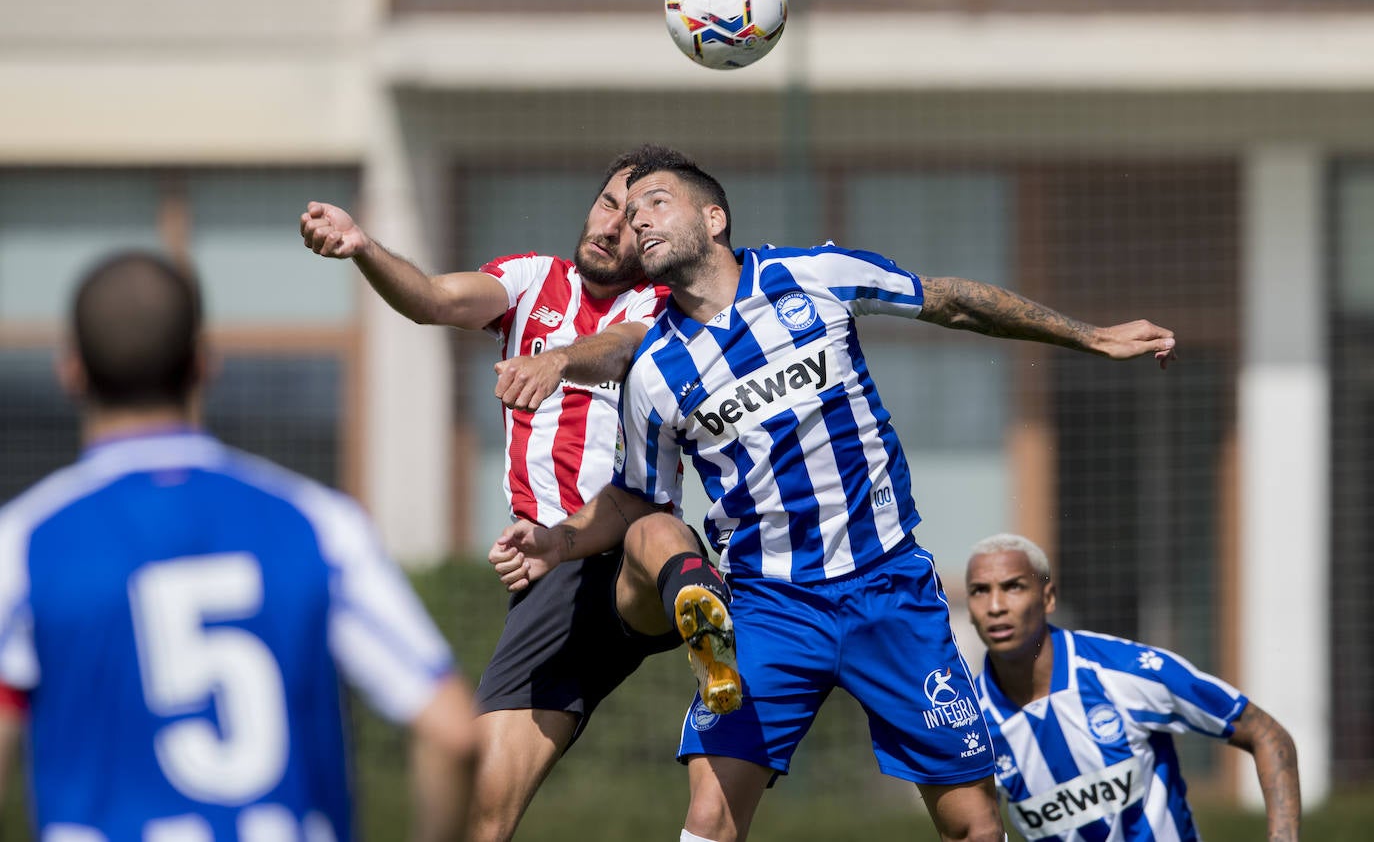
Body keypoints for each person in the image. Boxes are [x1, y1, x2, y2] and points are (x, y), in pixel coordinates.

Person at [491, 146, 1180, 842]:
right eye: (630, 214)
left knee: (973, 823)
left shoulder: (812, 274)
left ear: (714, 216)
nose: (637, 222)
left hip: (890, 592)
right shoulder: (653, 373)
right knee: (710, 820)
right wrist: (560, 541)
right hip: (769, 608)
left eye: (656, 203)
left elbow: (952, 302)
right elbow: (636, 500)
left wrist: (1092, 336)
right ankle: (718, 647)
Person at [300, 144, 734, 842]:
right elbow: (434, 300)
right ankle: (700, 611)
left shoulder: (662, 304)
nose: (612, 224)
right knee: (484, 810)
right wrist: (362, 247)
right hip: (547, 569)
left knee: (652, 528)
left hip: (628, 553)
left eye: (634, 215)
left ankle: (703, 612)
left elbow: (625, 346)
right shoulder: (533, 280)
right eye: (607, 203)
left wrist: (559, 360)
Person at [0, 251, 477, 841]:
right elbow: (453, 732)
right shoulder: (315, 523)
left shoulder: (25, 545)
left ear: (71, 371)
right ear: (203, 365)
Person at [965, 533, 1300, 841]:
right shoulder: (971, 725)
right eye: (980, 590)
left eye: (1013, 587)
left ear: (1048, 597)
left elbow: (1266, 734)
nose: (995, 606)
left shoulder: (1125, 672)